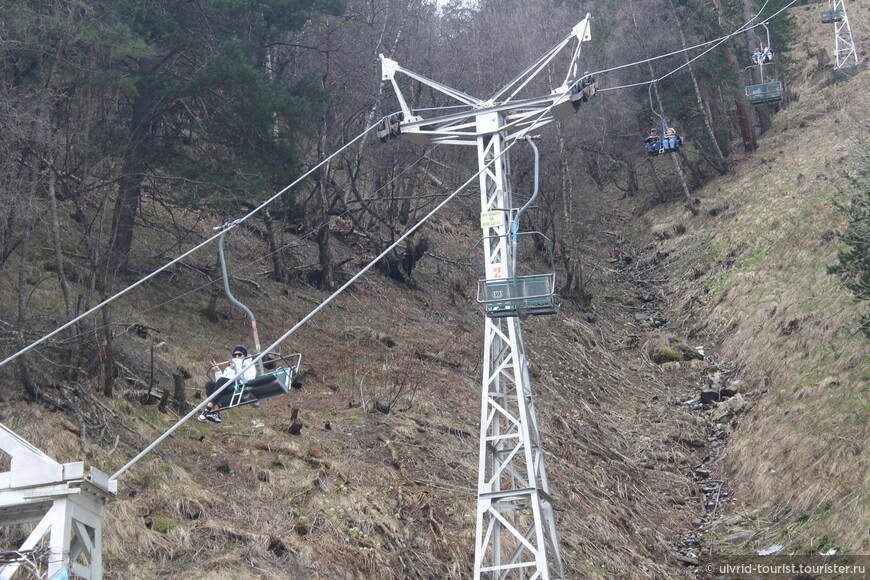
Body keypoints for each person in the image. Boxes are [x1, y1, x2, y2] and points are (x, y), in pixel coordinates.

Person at [198, 345, 257, 423]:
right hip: (228, 384)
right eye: (234, 355)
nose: (237, 356)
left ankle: (207, 410)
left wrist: (237, 368)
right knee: (210, 384)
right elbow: (220, 382)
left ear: (244, 355)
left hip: (239, 384)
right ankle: (215, 412)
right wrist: (217, 371)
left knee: (223, 381)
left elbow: (248, 378)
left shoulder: (249, 365)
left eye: (239, 355)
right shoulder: (230, 367)